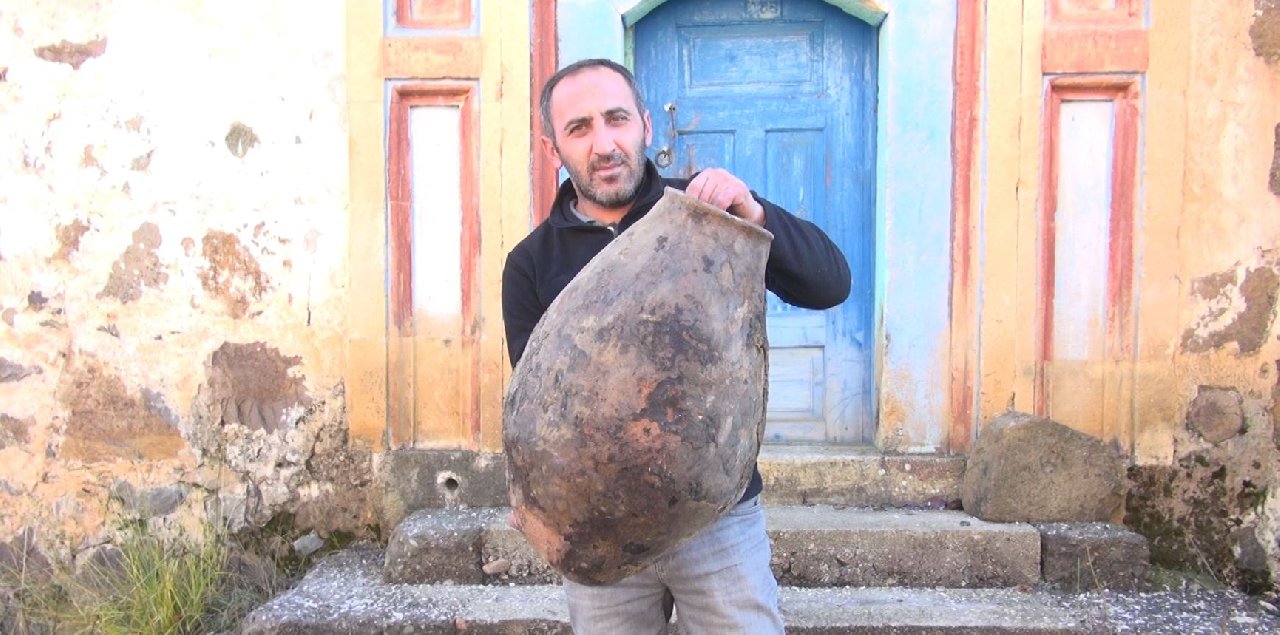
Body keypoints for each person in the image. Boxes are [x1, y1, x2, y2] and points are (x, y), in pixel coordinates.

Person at [501, 58, 851, 634]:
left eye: (617, 119)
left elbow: (830, 282)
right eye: (580, 128)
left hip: (717, 519)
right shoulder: (531, 264)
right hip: (600, 530)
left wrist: (754, 213)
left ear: (644, 123)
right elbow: (537, 403)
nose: (604, 143)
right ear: (552, 148)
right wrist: (538, 498)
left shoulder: (705, 212)